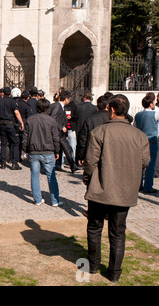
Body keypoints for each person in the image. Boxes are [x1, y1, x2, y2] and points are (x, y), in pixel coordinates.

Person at [83, 94, 150, 282]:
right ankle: (114, 273)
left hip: (100, 188)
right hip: (124, 189)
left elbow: (90, 162)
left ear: (111, 110)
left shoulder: (99, 132)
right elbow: (145, 161)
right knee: (118, 232)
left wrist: (88, 180)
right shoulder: (139, 136)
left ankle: (94, 265)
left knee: (95, 228)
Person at [22, 98, 62, 206]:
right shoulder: (51, 120)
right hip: (48, 151)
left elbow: (25, 137)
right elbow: (55, 137)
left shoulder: (30, 120)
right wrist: (57, 151)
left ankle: (38, 199)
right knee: (51, 176)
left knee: (34, 175)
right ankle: (54, 200)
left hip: (34, 151)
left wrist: (25, 150)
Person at [0, 86, 24, 170]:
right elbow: (16, 112)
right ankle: (14, 163)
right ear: (10, 93)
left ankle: (3, 163)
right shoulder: (12, 102)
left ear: (2, 93)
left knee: (3, 144)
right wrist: (21, 122)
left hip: (2, 124)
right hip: (11, 124)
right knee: (15, 143)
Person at [133, 94, 159, 193]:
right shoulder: (155, 114)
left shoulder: (138, 115)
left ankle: (138, 185)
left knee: (139, 165)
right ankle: (148, 186)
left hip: (140, 142)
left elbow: (135, 127)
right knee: (150, 165)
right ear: (151, 104)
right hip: (151, 142)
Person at [49, 90, 77, 173]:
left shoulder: (60, 106)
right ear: (66, 99)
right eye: (69, 99)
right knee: (66, 149)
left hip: (61, 133)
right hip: (58, 132)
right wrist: (61, 127)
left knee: (65, 149)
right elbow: (53, 118)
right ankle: (72, 166)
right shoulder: (57, 106)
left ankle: (71, 165)